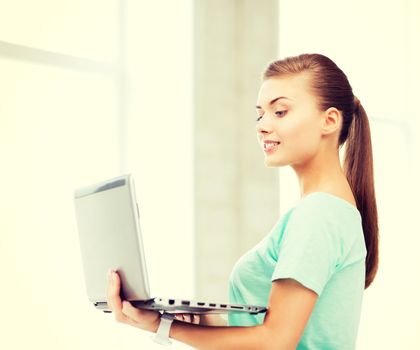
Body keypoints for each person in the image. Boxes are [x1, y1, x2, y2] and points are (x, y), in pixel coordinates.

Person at [107, 53, 379, 349]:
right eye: (260, 114)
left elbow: (274, 341)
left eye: (280, 112)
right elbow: (289, 334)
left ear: (329, 120)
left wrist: (163, 325)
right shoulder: (331, 211)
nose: (262, 125)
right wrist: (201, 323)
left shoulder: (319, 214)